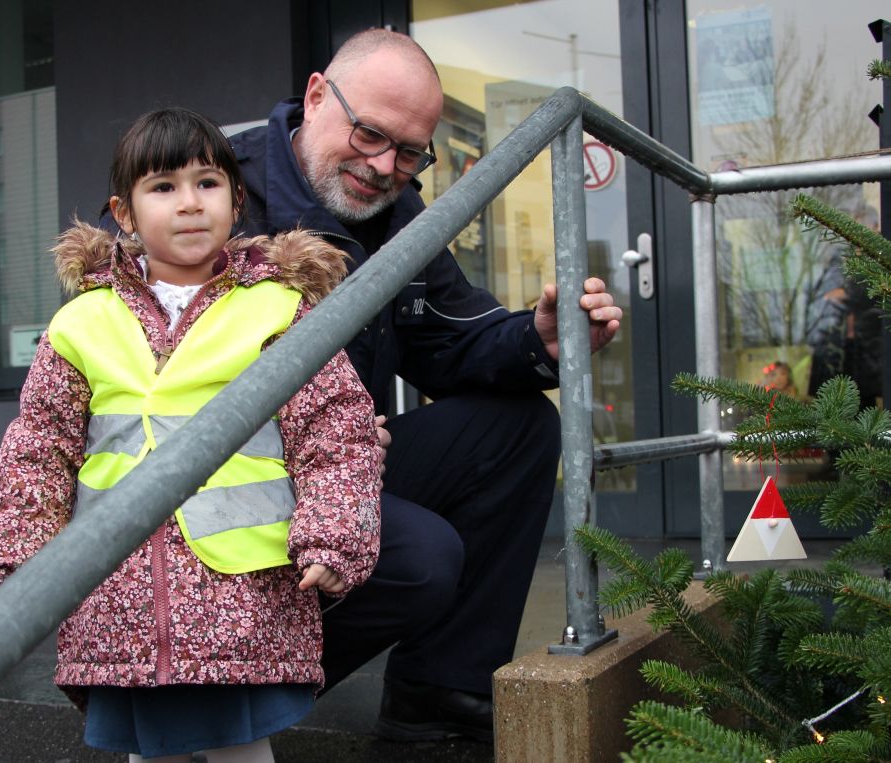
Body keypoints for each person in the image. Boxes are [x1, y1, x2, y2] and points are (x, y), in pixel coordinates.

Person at [229, 28, 623, 742]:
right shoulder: (202, 187)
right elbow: (141, 372)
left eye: (410, 153)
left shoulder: (394, 213)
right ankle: (221, 694)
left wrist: (537, 339)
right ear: (316, 96)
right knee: (420, 556)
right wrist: (315, 437)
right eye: (370, 134)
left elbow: (449, 334)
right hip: (217, 491)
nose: (384, 167)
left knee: (519, 429)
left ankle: (439, 691)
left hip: (345, 468)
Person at [0, 108, 380, 763]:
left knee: (242, 745)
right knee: (151, 746)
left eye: (207, 183)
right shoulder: (81, 323)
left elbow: (335, 433)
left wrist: (333, 531)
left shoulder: (277, 309)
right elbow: (38, 451)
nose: (189, 203)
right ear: (123, 213)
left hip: (242, 593)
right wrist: (7, 560)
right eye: (163, 187)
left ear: (236, 201)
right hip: (120, 594)